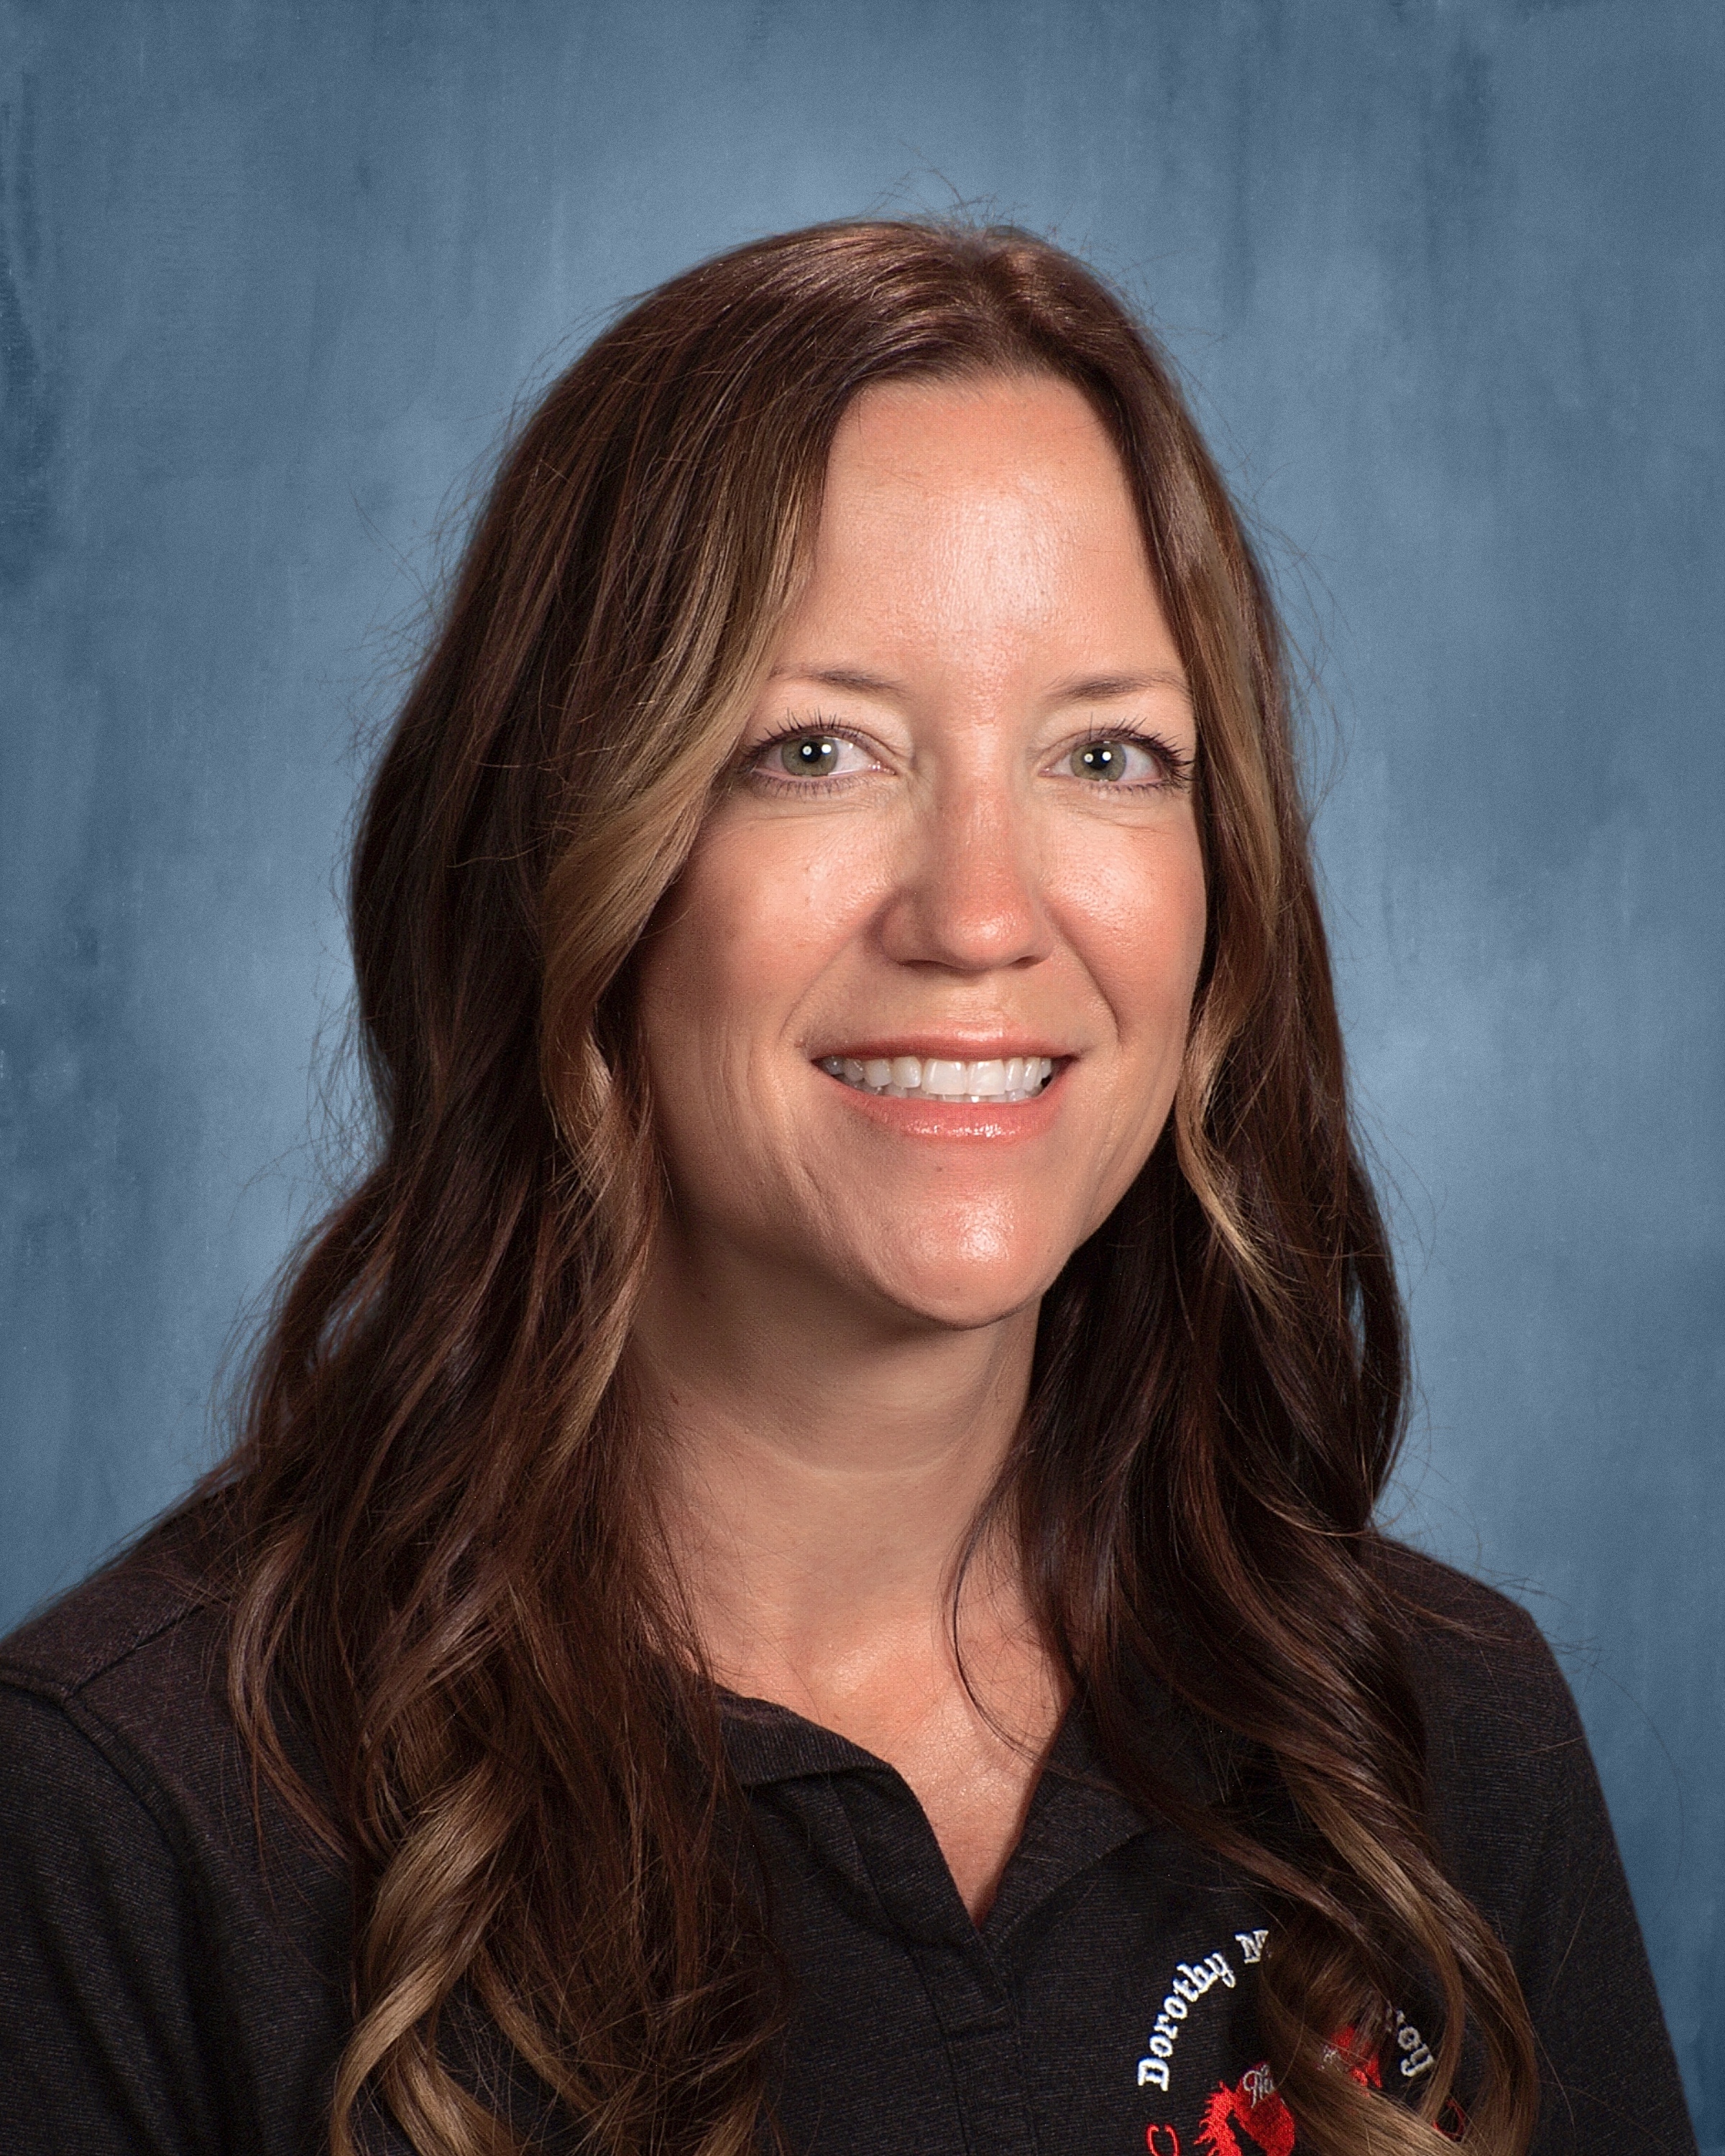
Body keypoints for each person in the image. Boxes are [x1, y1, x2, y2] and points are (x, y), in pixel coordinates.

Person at [0, 220, 1695, 2156]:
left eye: (1107, 752)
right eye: (816, 750)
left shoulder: (1435, 1743)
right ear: (567, 852)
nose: (979, 914)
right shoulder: (122, 1817)